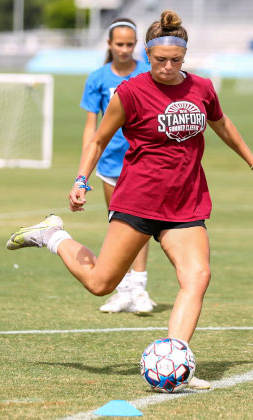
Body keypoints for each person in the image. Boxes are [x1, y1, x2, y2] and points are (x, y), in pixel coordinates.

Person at [7, 10, 253, 391]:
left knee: (197, 277)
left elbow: (222, 124)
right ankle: (52, 235)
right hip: (137, 200)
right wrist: (81, 180)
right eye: (160, 60)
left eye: (176, 61)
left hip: (186, 202)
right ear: (147, 55)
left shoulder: (202, 88)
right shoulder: (130, 92)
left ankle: (176, 361)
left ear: (185, 57)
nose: (168, 68)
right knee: (101, 284)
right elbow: (99, 139)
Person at [79, 17, 156, 314]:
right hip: (110, 163)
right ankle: (122, 289)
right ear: (109, 45)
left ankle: (139, 287)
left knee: (141, 224)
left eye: (130, 44)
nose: (124, 49)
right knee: (118, 224)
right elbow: (92, 127)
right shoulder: (97, 78)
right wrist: (86, 162)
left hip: (143, 162)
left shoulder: (149, 72)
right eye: (119, 44)